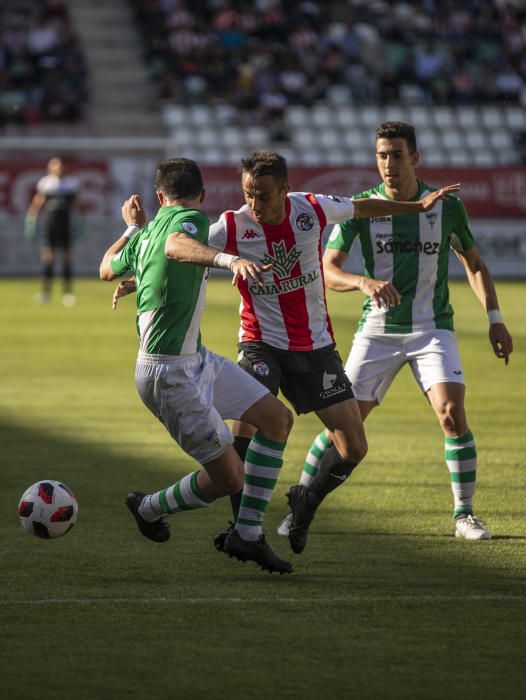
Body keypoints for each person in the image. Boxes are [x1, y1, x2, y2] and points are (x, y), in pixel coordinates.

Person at [207, 150, 461, 555]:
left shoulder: (311, 209)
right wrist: (141, 278)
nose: (255, 204)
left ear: (286, 191)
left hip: (315, 348)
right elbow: (183, 249)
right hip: (260, 343)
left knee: (353, 448)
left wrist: (417, 205)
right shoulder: (231, 226)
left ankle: (305, 503)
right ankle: (244, 530)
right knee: (248, 424)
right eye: (248, 193)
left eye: (265, 195)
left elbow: (362, 207)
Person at [277, 122, 513, 548]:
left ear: (415, 158)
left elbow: (474, 263)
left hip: (432, 326)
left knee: (451, 413)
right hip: (378, 330)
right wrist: (362, 282)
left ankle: (464, 513)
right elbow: (329, 268)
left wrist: (495, 317)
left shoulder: (446, 206)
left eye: (397, 154)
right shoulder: (362, 207)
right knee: (342, 425)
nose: (388, 163)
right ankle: (304, 503)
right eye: (382, 155)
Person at [99, 157, 294, 574]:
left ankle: (248, 535)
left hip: (195, 360)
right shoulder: (190, 218)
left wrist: (132, 227)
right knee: (229, 479)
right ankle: (148, 507)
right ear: (201, 195)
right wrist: (229, 260)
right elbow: (175, 247)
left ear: (157, 196)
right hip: (169, 373)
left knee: (277, 420)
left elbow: (105, 268)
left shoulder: (145, 232)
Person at [25, 156, 81, 306]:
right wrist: (31, 220)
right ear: (50, 168)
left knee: (66, 258)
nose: (59, 168)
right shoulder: (46, 184)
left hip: (65, 225)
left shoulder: (71, 184)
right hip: (50, 225)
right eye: (55, 166)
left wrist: (81, 222)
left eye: (61, 166)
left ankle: (68, 293)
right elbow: (37, 204)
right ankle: (45, 293)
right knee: (48, 258)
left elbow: (77, 206)